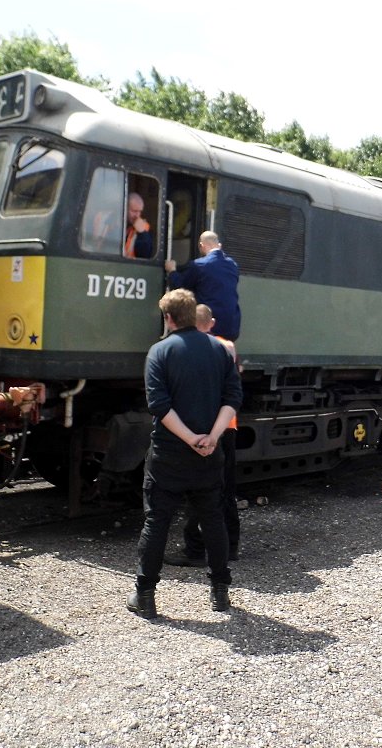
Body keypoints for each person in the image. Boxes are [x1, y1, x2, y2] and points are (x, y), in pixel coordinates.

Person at [127, 289, 242, 620]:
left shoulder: (160, 352)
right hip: (209, 454)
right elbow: (232, 397)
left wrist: (191, 438)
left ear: (168, 317)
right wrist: (211, 438)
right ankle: (220, 593)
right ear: (193, 315)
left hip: (169, 455)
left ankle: (145, 596)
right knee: (213, 519)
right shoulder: (220, 350)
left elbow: (159, 405)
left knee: (157, 521)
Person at [167, 304, 242, 565]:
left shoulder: (182, 348)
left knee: (198, 490)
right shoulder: (225, 346)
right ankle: (230, 546)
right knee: (225, 488)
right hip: (226, 427)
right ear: (210, 322)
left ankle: (195, 549)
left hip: (201, 427)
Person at [165, 231, 240, 341]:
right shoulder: (233, 265)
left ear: (201, 245)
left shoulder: (199, 265)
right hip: (232, 326)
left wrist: (172, 271)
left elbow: (181, 287)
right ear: (219, 246)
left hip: (208, 326)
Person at [123, 192, 153, 258]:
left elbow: (145, 255)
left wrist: (142, 233)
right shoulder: (118, 223)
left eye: (140, 211)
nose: (137, 215)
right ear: (125, 208)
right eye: (134, 211)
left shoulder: (145, 228)